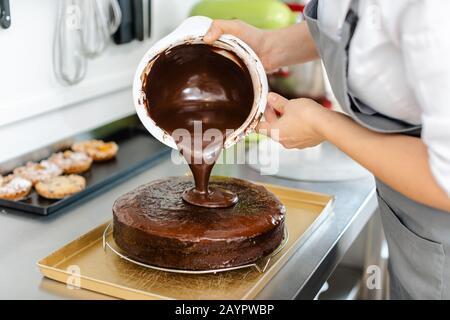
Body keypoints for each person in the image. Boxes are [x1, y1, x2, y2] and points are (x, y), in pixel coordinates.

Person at [204, 0, 450, 299]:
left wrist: (324, 125)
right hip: (412, 223)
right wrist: (270, 46)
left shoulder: (432, 10)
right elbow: (359, 27)